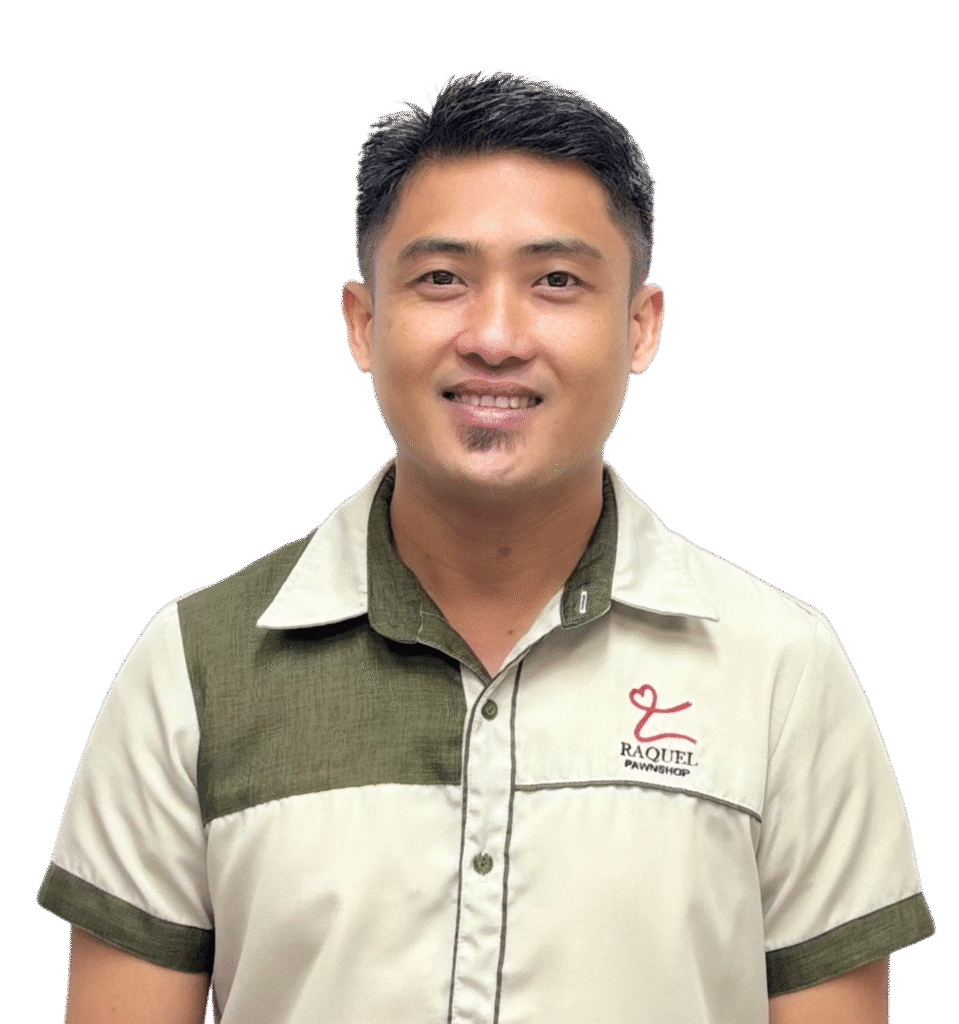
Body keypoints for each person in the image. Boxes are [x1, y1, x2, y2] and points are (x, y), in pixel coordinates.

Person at [39, 70, 934, 1024]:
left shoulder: (778, 671)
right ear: (363, 322)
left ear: (638, 326)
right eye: (441, 279)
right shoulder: (195, 670)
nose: (496, 336)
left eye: (556, 281)